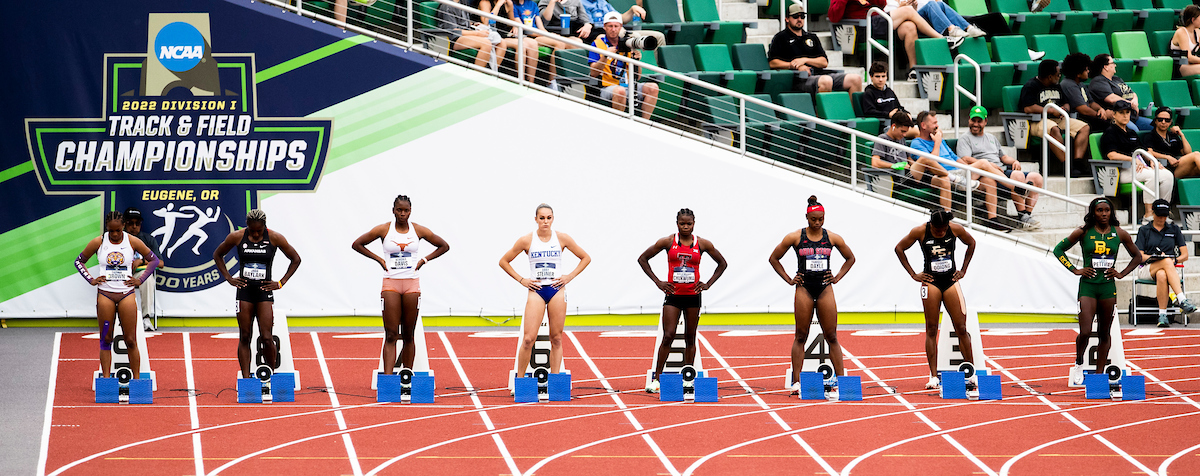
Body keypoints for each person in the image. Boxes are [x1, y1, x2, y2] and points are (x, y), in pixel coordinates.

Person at [352, 195, 451, 374]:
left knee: (408, 335)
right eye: (399, 210)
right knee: (390, 334)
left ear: (410, 211)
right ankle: (389, 379)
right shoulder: (384, 229)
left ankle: (407, 376)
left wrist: (424, 260)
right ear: (393, 211)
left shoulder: (418, 230)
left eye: (406, 210)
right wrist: (379, 259)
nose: (402, 214)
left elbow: (444, 246)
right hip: (391, 284)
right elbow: (357, 244)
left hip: (412, 284)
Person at [769, 196, 856, 393]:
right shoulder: (795, 237)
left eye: (821, 219)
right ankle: (797, 381)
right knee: (801, 335)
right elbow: (774, 258)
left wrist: (837, 277)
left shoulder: (832, 237)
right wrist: (790, 279)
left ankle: (842, 380)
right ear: (807, 218)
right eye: (814, 219)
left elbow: (850, 258)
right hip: (804, 288)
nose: (817, 223)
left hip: (825, 287)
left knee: (831, 335)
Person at [637, 209, 728, 393]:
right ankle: (656, 379)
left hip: (693, 296)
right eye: (682, 224)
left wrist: (708, 284)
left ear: (694, 223)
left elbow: (722, 264)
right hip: (673, 296)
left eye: (689, 224)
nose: (685, 227)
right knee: (668, 335)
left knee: (690, 337)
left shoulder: (702, 243)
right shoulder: (667, 242)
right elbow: (643, 259)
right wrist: (658, 282)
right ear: (676, 223)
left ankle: (688, 379)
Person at [1053, 197, 1141, 386]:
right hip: (1088, 287)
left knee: (1104, 332)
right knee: (1085, 331)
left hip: (1108, 288)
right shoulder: (1083, 232)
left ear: (1111, 212)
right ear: (1093, 212)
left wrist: (1121, 273)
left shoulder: (1120, 233)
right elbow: (1058, 250)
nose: (1103, 214)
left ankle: (1098, 376)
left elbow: (1137, 256)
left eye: (1106, 210)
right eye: (1099, 210)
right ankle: (1078, 364)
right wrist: (1075, 269)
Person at [499, 203, 592, 379]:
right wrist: (522, 280)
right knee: (528, 339)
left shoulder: (562, 238)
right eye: (541, 218)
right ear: (535, 219)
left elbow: (586, 258)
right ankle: (520, 380)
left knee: (556, 338)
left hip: (557, 290)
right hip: (537, 290)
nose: (545, 221)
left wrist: (569, 276)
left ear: (553, 218)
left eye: (549, 218)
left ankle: (555, 380)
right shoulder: (526, 240)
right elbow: (504, 261)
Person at [212, 210, 302, 381]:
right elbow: (217, 255)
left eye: (259, 231)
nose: (255, 234)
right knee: (245, 335)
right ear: (247, 226)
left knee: (267, 337)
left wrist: (281, 282)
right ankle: (246, 380)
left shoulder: (275, 238)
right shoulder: (237, 237)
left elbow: (296, 259)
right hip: (244, 291)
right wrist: (229, 278)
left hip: (264, 292)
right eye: (252, 231)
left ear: (264, 227)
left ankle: (270, 376)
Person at [894, 209, 977, 390]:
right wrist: (913, 274)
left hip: (950, 281)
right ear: (931, 225)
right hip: (930, 282)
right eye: (937, 230)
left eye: (943, 230)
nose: (940, 233)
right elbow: (899, 249)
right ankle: (933, 375)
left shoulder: (955, 229)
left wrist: (963, 270)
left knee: (961, 327)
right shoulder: (920, 231)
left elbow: (971, 243)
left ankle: (971, 373)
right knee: (931, 328)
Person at [75, 211, 159, 381]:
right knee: (106, 339)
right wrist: (91, 279)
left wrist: (140, 279)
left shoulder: (132, 240)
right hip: (105, 294)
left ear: (123, 227)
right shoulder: (99, 242)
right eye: (111, 231)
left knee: (130, 340)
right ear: (107, 228)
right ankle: (106, 380)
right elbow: (79, 261)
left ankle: (137, 381)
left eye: (117, 231)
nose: (114, 234)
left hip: (125, 294)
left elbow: (154, 260)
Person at [912, 111, 1010, 230]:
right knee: (984, 162)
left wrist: (968, 169)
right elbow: (932, 163)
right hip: (940, 175)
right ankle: (1014, 187)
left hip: (958, 173)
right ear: (923, 126)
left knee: (989, 181)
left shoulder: (941, 140)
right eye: (934, 123)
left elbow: (955, 158)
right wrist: (937, 142)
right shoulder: (917, 143)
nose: (937, 126)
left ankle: (992, 220)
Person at [828, 0, 960, 83]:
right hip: (862, 28)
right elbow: (834, 16)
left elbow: (882, 4)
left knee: (909, 27)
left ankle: (912, 70)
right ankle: (941, 39)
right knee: (908, 11)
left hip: (878, 22)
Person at [957, 106, 1044, 230]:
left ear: (985, 121)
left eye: (979, 121)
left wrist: (1014, 161)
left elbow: (1003, 157)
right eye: (973, 120)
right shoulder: (965, 138)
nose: (975, 124)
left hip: (1000, 170)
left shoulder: (991, 138)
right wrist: (988, 164)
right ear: (969, 120)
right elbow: (965, 159)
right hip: (983, 174)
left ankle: (1025, 216)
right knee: (1001, 179)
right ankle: (1014, 208)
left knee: (1036, 177)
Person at [1101, 100, 1174, 224]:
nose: (1125, 115)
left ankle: (1162, 211)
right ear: (1114, 114)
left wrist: (1152, 161)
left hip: (1140, 167)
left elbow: (1143, 151)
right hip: (1120, 171)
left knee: (1167, 175)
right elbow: (1111, 155)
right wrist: (1133, 160)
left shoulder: (1131, 132)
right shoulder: (1110, 132)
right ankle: (1148, 214)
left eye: (1127, 112)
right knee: (1152, 175)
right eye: (1121, 112)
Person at [870, 111, 961, 211]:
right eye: (902, 131)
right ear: (894, 126)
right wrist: (893, 166)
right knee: (924, 158)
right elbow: (875, 163)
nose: (904, 134)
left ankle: (946, 216)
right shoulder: (882, 139)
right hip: (899, 177)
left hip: (912, 174)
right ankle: (955, 179)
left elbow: (909, 159)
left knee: (944, 180)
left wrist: (919, 166)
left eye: (906, 132)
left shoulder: (901, 139)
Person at [769, 4, 864, 94]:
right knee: (826, 81)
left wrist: (805, 60)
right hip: (798, 79)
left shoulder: (812, 37)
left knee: (855, 79)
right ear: (787, 19)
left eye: (802, 16)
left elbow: (824, 62)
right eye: (795, 17)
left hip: (819, 74)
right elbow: (772, 62)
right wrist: (794, 65)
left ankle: (852, 111)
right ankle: (821, 112)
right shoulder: (781, 37)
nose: (799, 19)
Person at [1019, 59, 1091, 175]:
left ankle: (1077, 162)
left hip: (1058, 118)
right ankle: (1067, 165)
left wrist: (1065, 109)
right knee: (1054, 129)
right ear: (1050, 77)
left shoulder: (1057, 86)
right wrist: (1051, 111)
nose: (1060, 77)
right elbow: (1028, 108)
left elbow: (1066, 102)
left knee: (1084, 127)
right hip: (1037, 121)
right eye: (1058, 75)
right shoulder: (1031, 86)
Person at [1135, 199, 1197, 327]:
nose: (1162, 218)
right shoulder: (1144, 230)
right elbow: (1139, 256)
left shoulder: (1174, 229)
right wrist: (1154, 258)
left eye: (1165, 215)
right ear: (1153, 213)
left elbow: (1184, 255)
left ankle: (1162, 315)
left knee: (1162, 274)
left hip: (1169, 269)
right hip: (1147, 267)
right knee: (1165, 262)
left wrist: (1173, 260)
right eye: (1159, 215)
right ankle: (1181, 299)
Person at [589, 11, 660, 118]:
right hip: (607, 86)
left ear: (621, 27)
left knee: (653, 87)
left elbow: (638, 76)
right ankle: (620, 125)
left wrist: (636, 61)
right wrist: (605, 56)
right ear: (604, 27)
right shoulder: (597, 44)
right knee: (620, 91)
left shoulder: (627, 43)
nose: (613, 29)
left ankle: (644, 124)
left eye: (616, 26)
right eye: (610, 26)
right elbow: (593, 73)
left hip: (628, 85)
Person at [1088, 54, 1154, 132]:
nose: (1115, 65)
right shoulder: (1098, 81)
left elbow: (1133, 93)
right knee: (1133, 131)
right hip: (1117, 118)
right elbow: (1111, 99)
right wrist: (1130, 104)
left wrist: (1135, 101)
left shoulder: (1117, 79)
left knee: (1155, 127)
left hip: (1132, 116)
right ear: (1106, 67)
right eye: (1112, 63)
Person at [123, 207, 163, 331]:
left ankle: (146, 318)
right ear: (124, 224)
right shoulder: (117, 238)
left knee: (147, 278)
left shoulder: (148, 239)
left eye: (137, 223)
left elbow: (160, 263)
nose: (134, 226)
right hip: (119, 274)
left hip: (138, 274)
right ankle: (117, 320)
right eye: (130, 223)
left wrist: (141, 260)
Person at [438, 0, 504, 68]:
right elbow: (452, 30)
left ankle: (491, 72)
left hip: (467, 33)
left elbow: (463, 22)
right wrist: (477, 33)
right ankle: (477, 74)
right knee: (486, 44)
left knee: (502, 42)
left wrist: (474, 24)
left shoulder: (463, 2)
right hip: (453, 39)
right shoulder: (447, 6)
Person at [1060, 53, 1110, 139]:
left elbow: (1091, 103)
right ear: (1078, 73)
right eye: (1086, 69)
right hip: (1079, 118)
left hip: (1088, 117)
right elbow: (1083, 109)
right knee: (1110, 126)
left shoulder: (1081, 84)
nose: (1088, 71)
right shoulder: (1068, 85)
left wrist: (1100, 109)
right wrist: (1100, 116)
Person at [1143, 107, 1200, 179]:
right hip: (1165, 168)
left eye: (1167, 120)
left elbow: (1187, 153)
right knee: (1196, 155)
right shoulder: (1150, 136)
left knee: (1197, 168)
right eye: (1160, 119)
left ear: (1170, 122)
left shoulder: (1172, 135)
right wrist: (1167, 157)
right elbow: (1149, 152)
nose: (1163, 122)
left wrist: (1181, 135)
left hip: (1178, 166)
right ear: (1155, 121)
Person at [862, 62, 916, 137]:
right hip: (885, 127)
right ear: (871, 77)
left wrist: (906, 113)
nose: (881, 80)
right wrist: (888, 114)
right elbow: (869, 112)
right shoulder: (868, 93)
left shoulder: (889, 91)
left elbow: (898, 107)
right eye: (877, 76)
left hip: (899, 124)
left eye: (883, 76)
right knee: (919, 132)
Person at [1171, 5, 1200, 78]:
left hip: (1193, 64)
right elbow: (1189, 57)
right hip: (1181, 66)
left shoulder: (1197, 32)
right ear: (1193, 20)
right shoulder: (1181, 32)